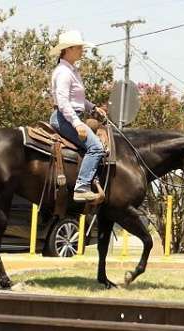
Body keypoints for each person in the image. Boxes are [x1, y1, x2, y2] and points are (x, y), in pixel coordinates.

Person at [49, 30, 107, 202]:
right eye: (80, 47)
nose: (82, 50)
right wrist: (77, 124)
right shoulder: (64, 72)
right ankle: (81, 187)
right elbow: (63, 102)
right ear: (69, 49)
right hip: (65, 118)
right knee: (96, 147)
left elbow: (77, 98)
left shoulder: (72, 71)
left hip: (71, 116)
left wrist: (93, 107)